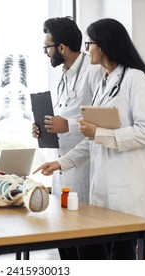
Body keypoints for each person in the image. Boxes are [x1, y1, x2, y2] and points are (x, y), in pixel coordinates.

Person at [34, 18, 145, 260]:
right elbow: (92, 139)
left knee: (121, 257)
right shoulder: (105, 83)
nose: (86, 48)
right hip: (101, 187)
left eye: (89, 43)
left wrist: (99, 133)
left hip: (125, 187)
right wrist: (61, 163)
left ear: (103, 46)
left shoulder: (135, 78)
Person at [33, 17, 102, 260]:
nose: (46, 53)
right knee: (66, 242)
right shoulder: (64, 75)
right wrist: (46, 127)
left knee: (88, 246)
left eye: (47, 48)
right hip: (62, 166)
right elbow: (66, 117)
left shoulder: (93, 73)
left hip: (84, 168)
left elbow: (101, 122)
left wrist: (67, 125)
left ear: (61, 48)